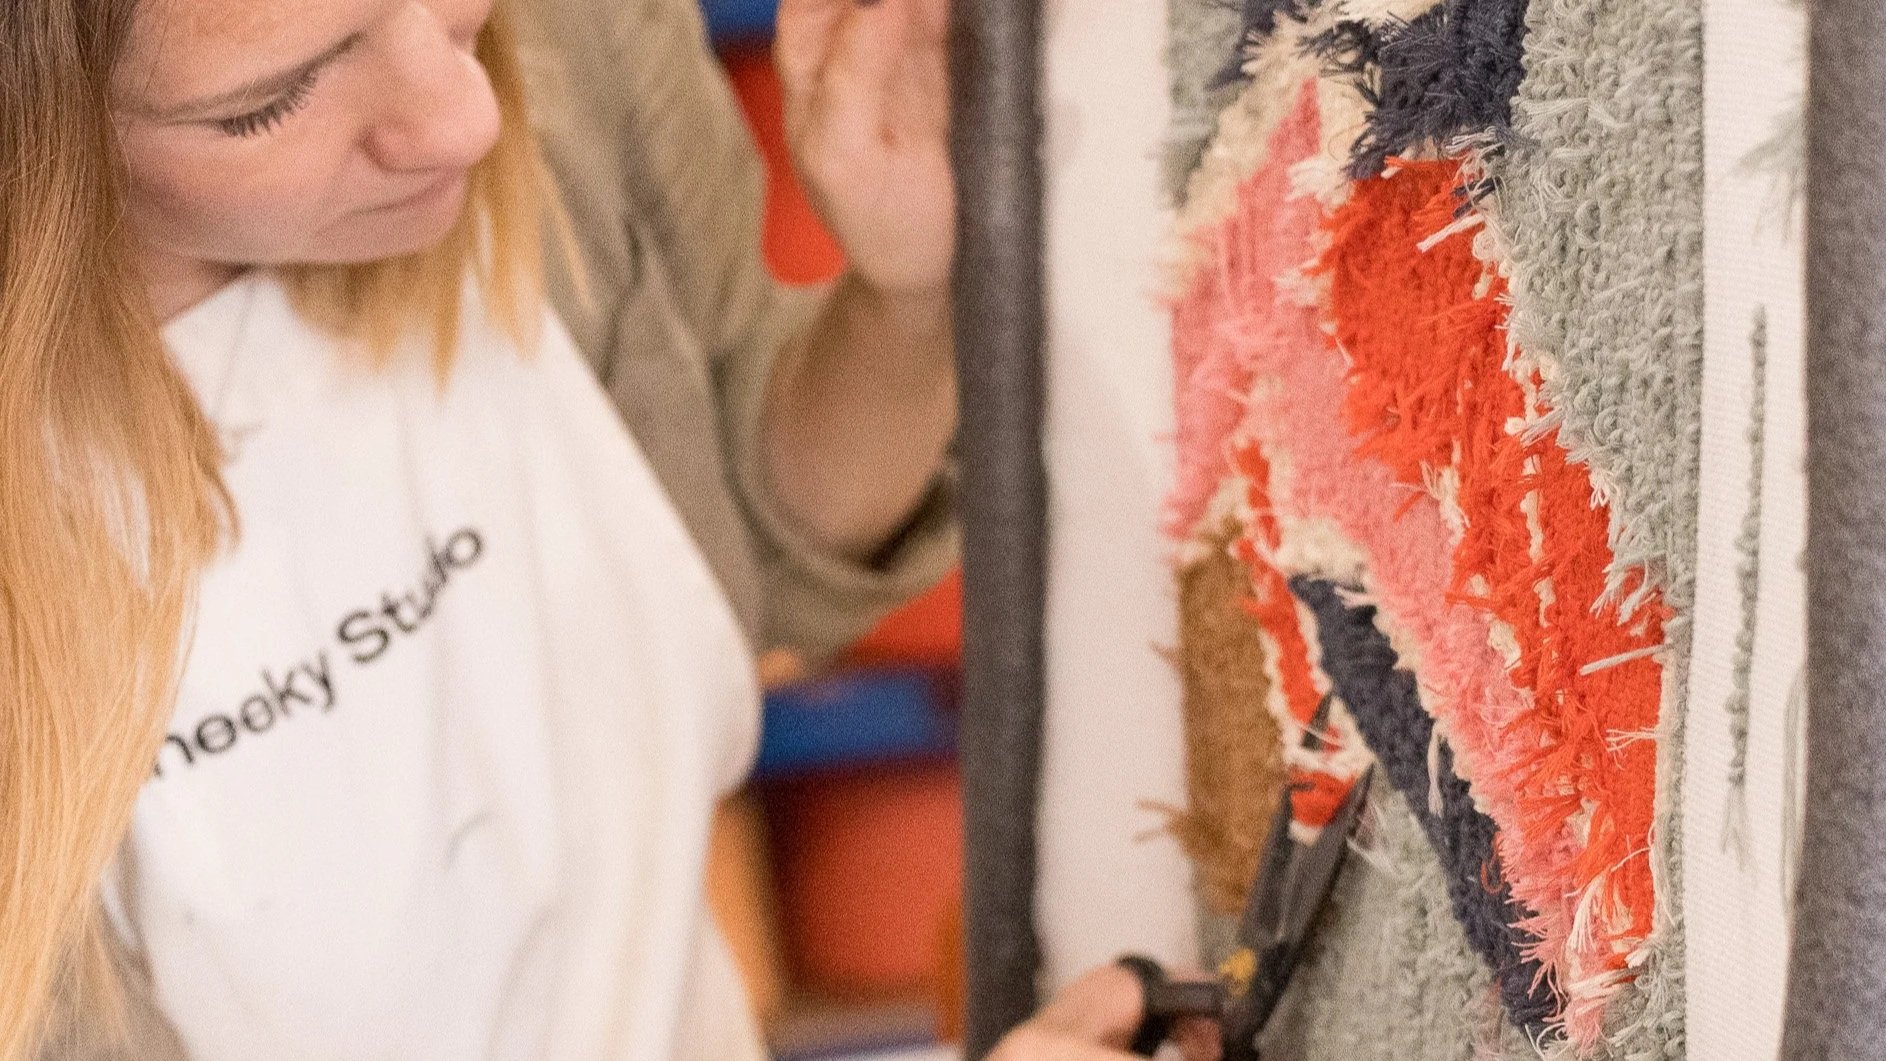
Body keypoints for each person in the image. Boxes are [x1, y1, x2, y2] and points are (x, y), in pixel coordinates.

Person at [0, 0, 1210, 1057]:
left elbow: (731, 540)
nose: (462, 116)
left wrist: (905, 292)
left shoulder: (563, 47)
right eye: (267, 106)